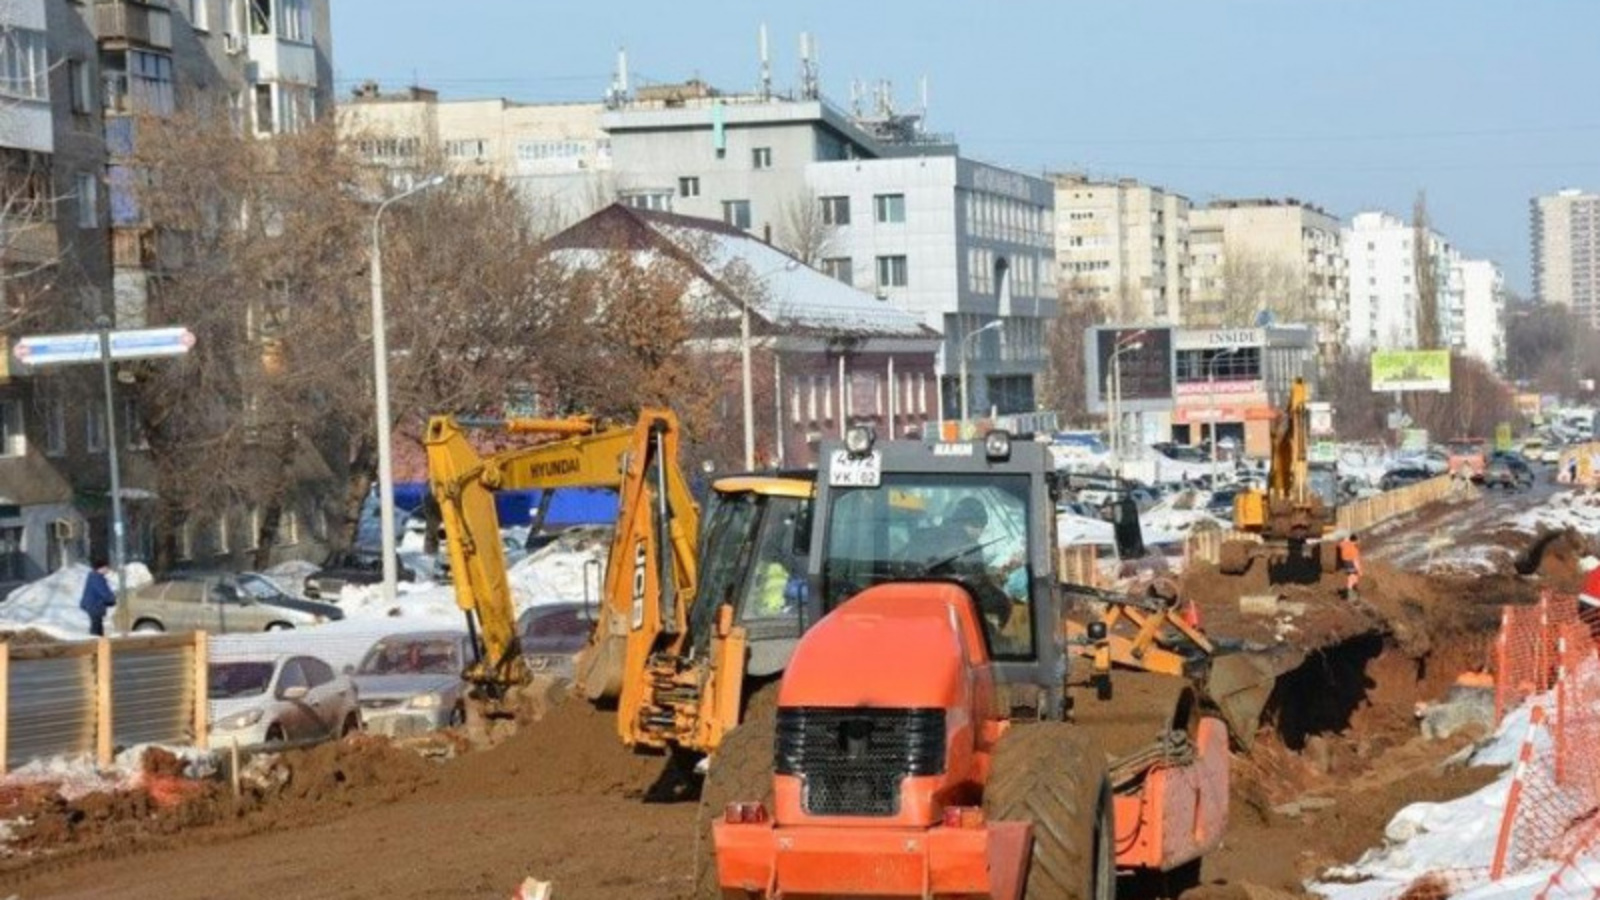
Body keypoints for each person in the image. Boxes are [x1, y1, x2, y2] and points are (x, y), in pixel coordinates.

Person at [79, 559, 116, 637]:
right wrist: (111, 599)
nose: (108, 569)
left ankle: (99, 642)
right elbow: (103, 592)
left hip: (93, 605)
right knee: (96, 629)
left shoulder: (95, 577)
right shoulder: (96, 578)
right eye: (106, 567)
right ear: (101, 568)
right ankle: (96, 643)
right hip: (94, 605)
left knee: (97, 627)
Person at [1337, 533, 1363, 601]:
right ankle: (1350, 596)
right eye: (1358, 540)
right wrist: (1359, 570)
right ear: (1356, 540)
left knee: (1354, 578)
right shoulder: (1354, 549)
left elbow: (1340, 544)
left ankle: (1353, 593)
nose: (1359, 541)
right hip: (1351, 564)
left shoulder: (1345, 544)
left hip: (1345, 563)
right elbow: (1355, 561)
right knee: (1351, 579)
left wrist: (1346, 540)